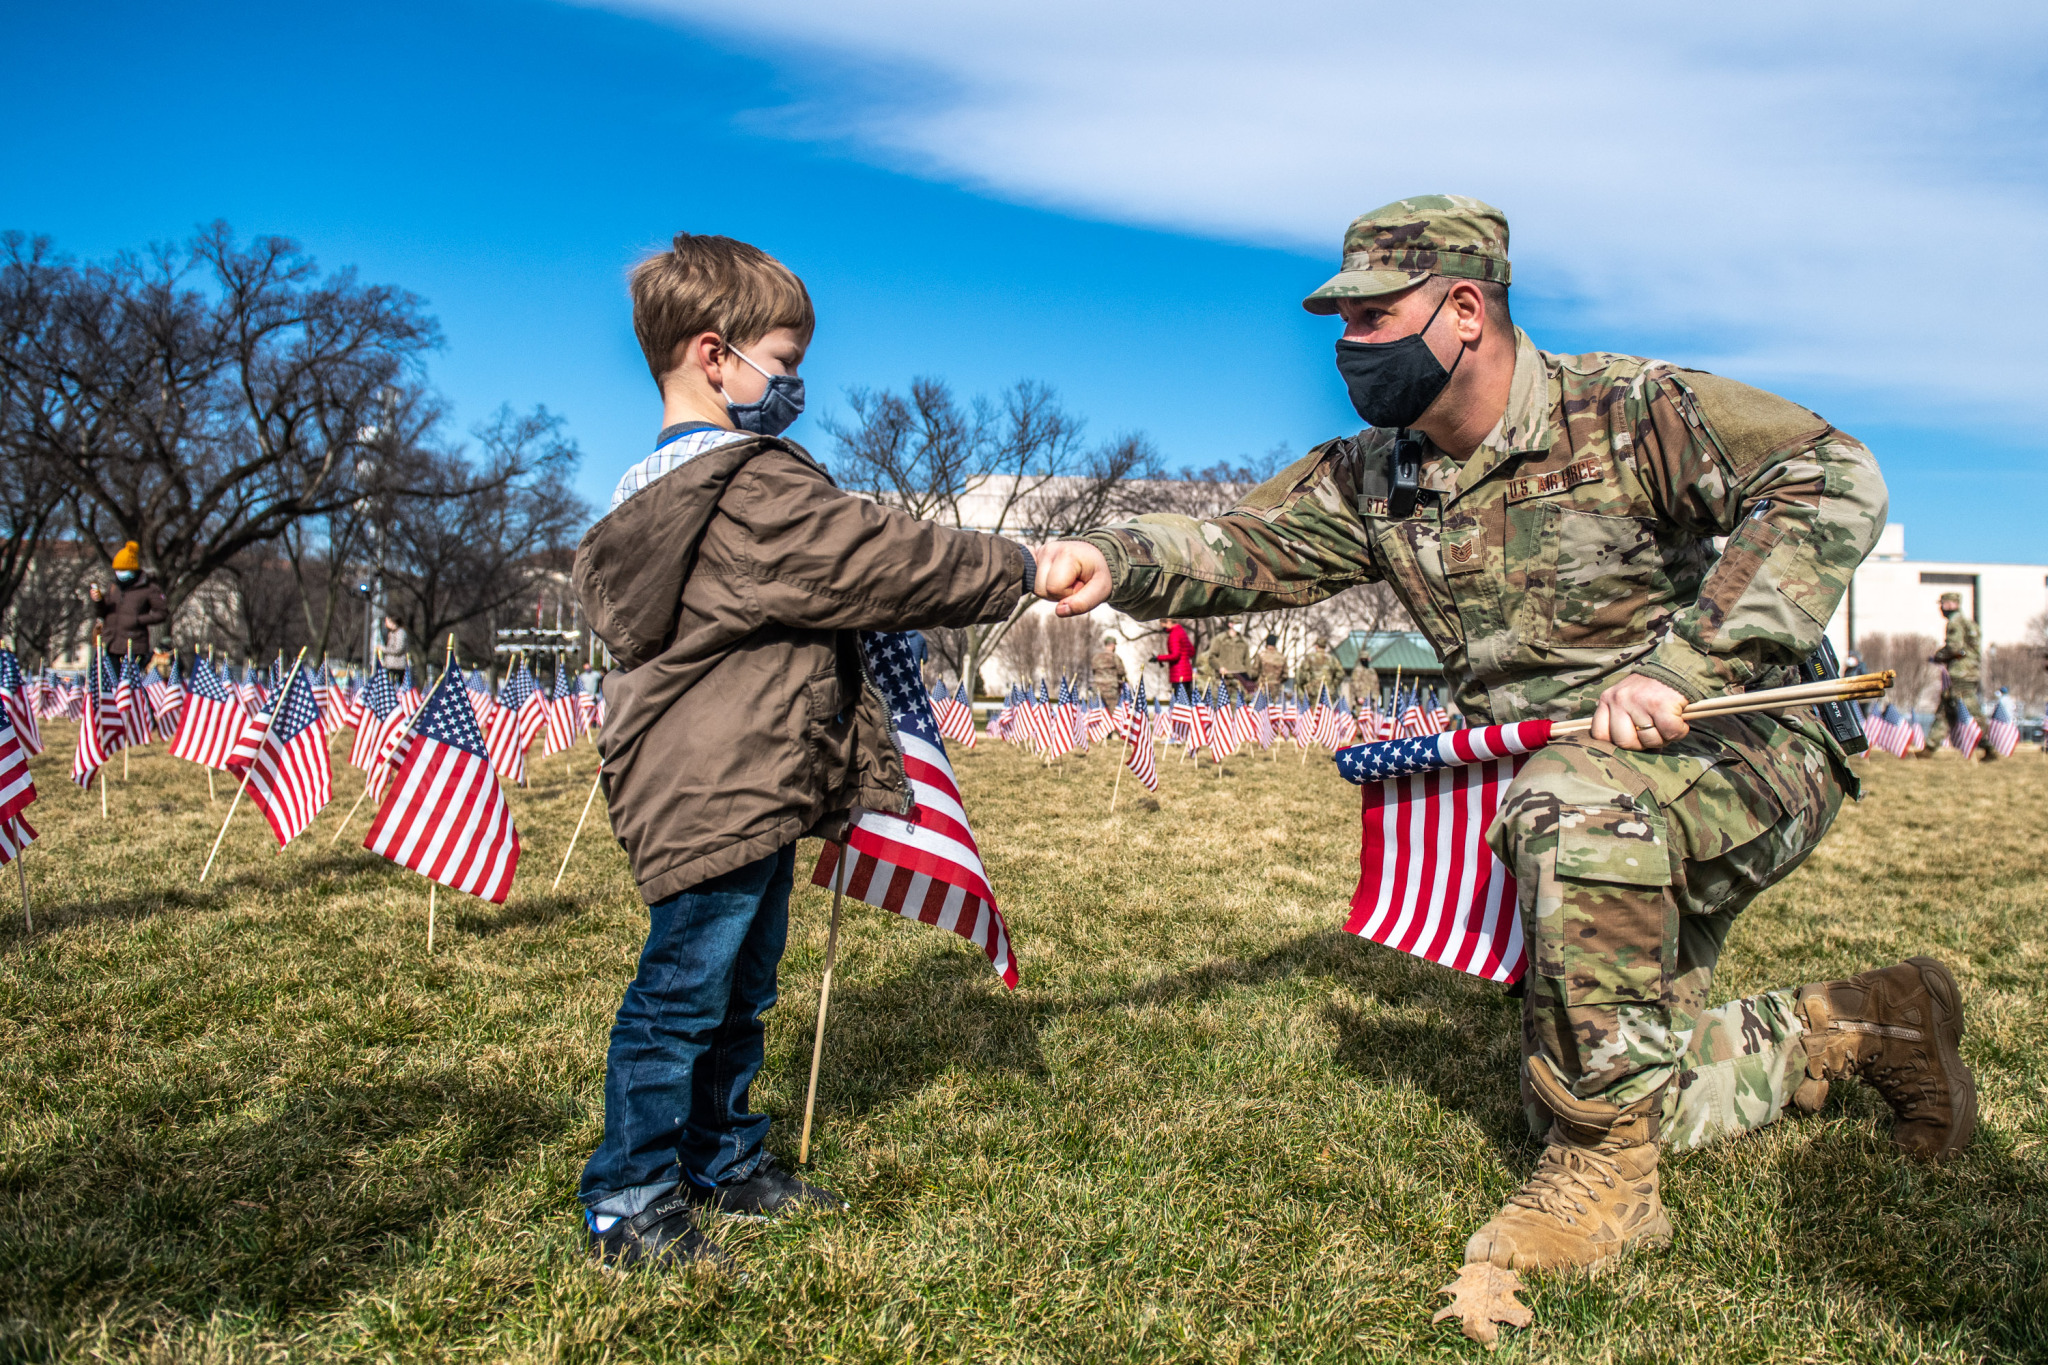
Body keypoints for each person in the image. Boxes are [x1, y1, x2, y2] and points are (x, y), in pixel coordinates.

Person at [1032, 196, 1971, 1299]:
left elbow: (1831, 474)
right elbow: (1244, 545)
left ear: (1464, 310)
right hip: (1586, 782)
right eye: (1341, 323)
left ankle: (1601, 1183)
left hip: (1748, 743)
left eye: (1374, 318)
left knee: (1564, 824)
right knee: (1598, 1069)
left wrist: (1682, 668)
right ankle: (1868, 1022)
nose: (1347, 346)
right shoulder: (1378, 474)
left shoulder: (1625, 411)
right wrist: (1114, 554)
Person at [572, 232, 1036, 1272]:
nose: (793, 386)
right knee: (681, 995)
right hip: (717, 781)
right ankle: (628, 1197)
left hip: (742, 777)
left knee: (739, 989)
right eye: (782, 364)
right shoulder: (741, 488)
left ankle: (721, 1160)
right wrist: (1021, 563)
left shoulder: (660, 486)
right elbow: (873, 556)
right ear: (711, 355)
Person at [1923, 592, 1993, 760]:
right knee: (1946, 709)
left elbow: (1954, 648)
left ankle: (1989, 745)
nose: (1941, 608)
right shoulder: (1969, 622)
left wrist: (1938, 656)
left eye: (1943, 604)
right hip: (1969, 671)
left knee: (1970, 709)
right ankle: (1930, 747)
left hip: (1960, 673)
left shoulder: (1955, 622)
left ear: (1950, 604)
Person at [89, 541, 169, 661]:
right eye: (117, 569)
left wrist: (137, 620)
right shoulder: (113, 586)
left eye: (123, 569)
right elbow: (102, 613)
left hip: (133, 645)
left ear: (133, 570)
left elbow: (162, 613)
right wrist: (98, 601)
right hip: (109, 643)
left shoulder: (149, 587)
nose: (120, 573)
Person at [1209, 620, 1256, 696]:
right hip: (1224, 677)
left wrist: (1248, 681)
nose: (1239, 626)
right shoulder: (1220, 639)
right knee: (1222, 705)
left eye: (1240, 623)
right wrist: (1219, 667)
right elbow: (1211, 656)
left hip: (1240, 677)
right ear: (1230, 624)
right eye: (1237, 623)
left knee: (1238, 704)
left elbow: (1247, 661)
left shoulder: (1243, 641)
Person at [1153, 620, 1195, 692]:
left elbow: (1175, 655)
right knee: (1187, 700)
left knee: (1179, 702)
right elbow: (1192, 652)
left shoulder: (1174, 634)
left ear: (1169, 622)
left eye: (1163, 626)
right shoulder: (1182, 631)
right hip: (1187, 675)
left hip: (1178, 675)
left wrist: (1158, 658)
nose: (1164, 629)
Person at [1089, 634, 1127, 701]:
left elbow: (1093, 671)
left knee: (1097, 710)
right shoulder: (1115, 657)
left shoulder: (1096, 657)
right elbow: (1121, 672)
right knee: (1111, 710)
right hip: (1111, 689)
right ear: (1112, 645)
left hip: (1097, 687)